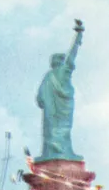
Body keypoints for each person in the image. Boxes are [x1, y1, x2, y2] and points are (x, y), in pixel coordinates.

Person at [36, 20, 85, 162]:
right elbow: (73, 54)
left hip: (52, 113)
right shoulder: (62, 71)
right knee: (63, 129)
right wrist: (79, 35)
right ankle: (62, 152)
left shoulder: (48, 77)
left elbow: (39, 100)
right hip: (63, 111)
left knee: (52, 129)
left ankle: (54, 151)